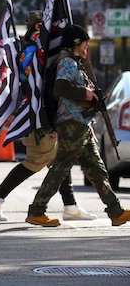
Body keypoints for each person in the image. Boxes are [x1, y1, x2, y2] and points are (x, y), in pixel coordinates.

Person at [0, 11, 93, 222]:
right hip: (37, 113)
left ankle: (70, 205)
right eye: (46, 26)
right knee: (36, 160)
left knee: (59, 160)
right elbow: (37, 84)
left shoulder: (40, 49)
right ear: (37, 27)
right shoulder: (34, 50)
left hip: (41, 112)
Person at [25, 24, 130, 227]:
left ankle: (115, 212)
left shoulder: (76, 63)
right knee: (62, 166)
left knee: (97, 169)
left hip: (81, 123)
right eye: (85, 42)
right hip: (71, 123)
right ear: (76, 43)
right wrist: (86, 94)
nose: (87, 46)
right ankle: (36, 210)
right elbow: (60, 87)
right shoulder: (67, 63)